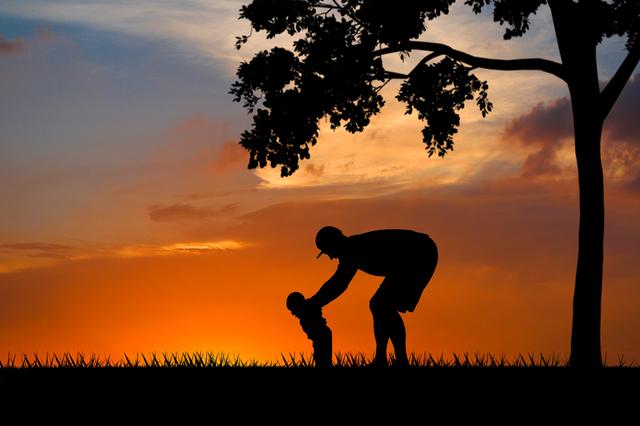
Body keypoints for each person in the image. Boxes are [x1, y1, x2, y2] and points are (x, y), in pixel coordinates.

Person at [305, 226, 438, 367]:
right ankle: (387, 359)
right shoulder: (352, 247)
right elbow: (338, 283)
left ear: (334, 243)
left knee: (380, 304)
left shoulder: (351, 249)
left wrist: (314, 302)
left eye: (328, 251)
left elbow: (339, 283)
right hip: (414, 255)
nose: (331, 257)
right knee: (380, 305)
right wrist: (315, 302)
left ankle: (393, 360)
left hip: (419, 254)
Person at [286, 291, 332, 367]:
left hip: (322, 336)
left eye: (293, 310)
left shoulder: (306, 316)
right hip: (321, 336)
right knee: (321, 359)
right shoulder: (304, 318)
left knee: (323, 360)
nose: (293, 314)